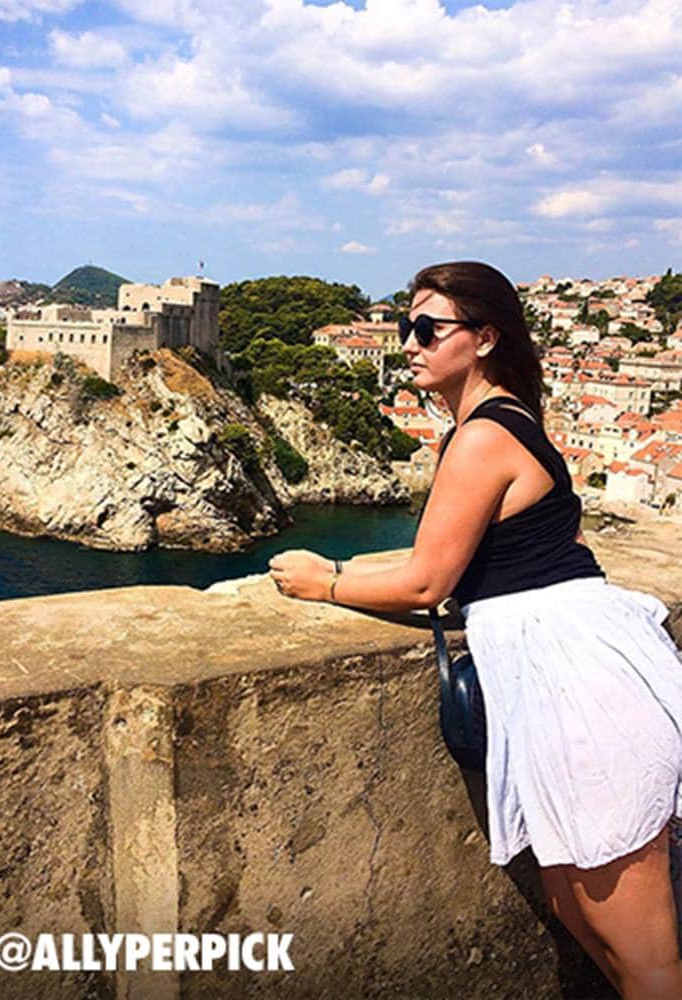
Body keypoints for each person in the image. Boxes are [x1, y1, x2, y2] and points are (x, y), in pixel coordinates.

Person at [267, 260, 682, 999]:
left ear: (485, 337)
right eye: (405, 328)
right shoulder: (499, 421)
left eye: (428, 328)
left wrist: (322, 581)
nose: (408, 344)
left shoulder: (484, 438)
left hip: (582, 687)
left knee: (644, 954)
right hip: (563, 676)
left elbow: (429, 581)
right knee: (577, 913)